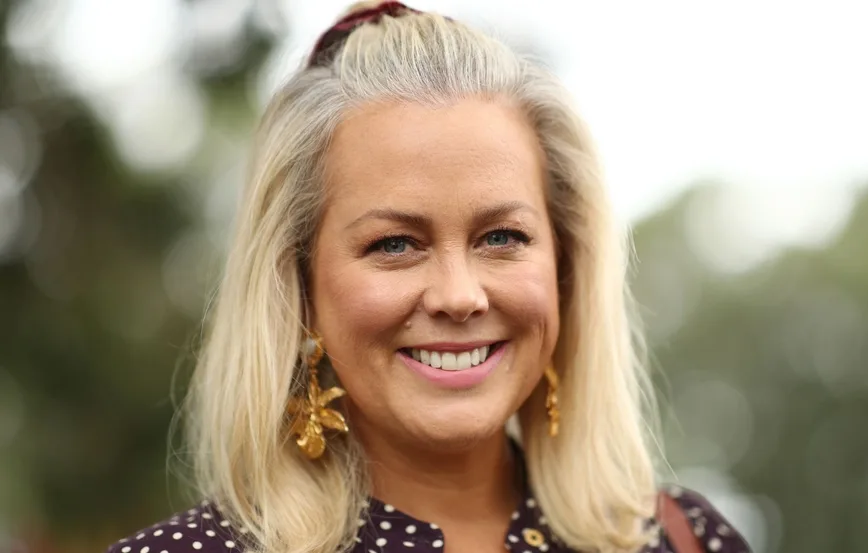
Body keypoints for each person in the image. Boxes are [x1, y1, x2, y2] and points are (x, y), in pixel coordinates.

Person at [107, 2, 752, 553]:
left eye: (502, 237)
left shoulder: (685, 538)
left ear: (566, 269)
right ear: (297, 288)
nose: (459, 296)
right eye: (395, 244)